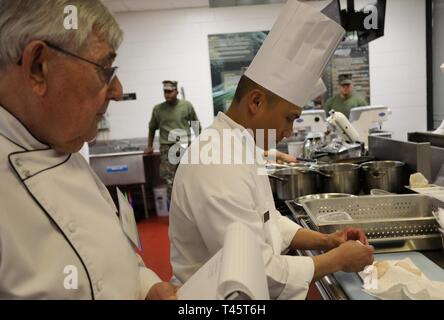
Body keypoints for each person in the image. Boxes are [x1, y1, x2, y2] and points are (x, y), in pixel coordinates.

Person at [169, 0, 374, 300]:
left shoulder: (240, 146)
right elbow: (256, 270)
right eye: (289, 118)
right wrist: (337, 260)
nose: (289, 131)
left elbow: (267, 221)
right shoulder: (216, 161)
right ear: (255, 102)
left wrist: (328, 241)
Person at [0, 0, 176, 299]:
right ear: (38, 67)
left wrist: (145, 287)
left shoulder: (64, 147)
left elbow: (111, 256)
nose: (118, 91)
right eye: (105, 70)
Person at [145, 80, 201, 200]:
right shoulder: (158, 109)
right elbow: (152, 128)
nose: (167, 94)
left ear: (176, 92)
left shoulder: (186, 106)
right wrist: (149, 146)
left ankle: (191, 203)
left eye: (170, 91)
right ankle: (174, 206)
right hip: (167, 147)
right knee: (169, 178)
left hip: (184, 145)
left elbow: (195, 124)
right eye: (165, 91)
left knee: (189, 175)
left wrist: (200, 143)